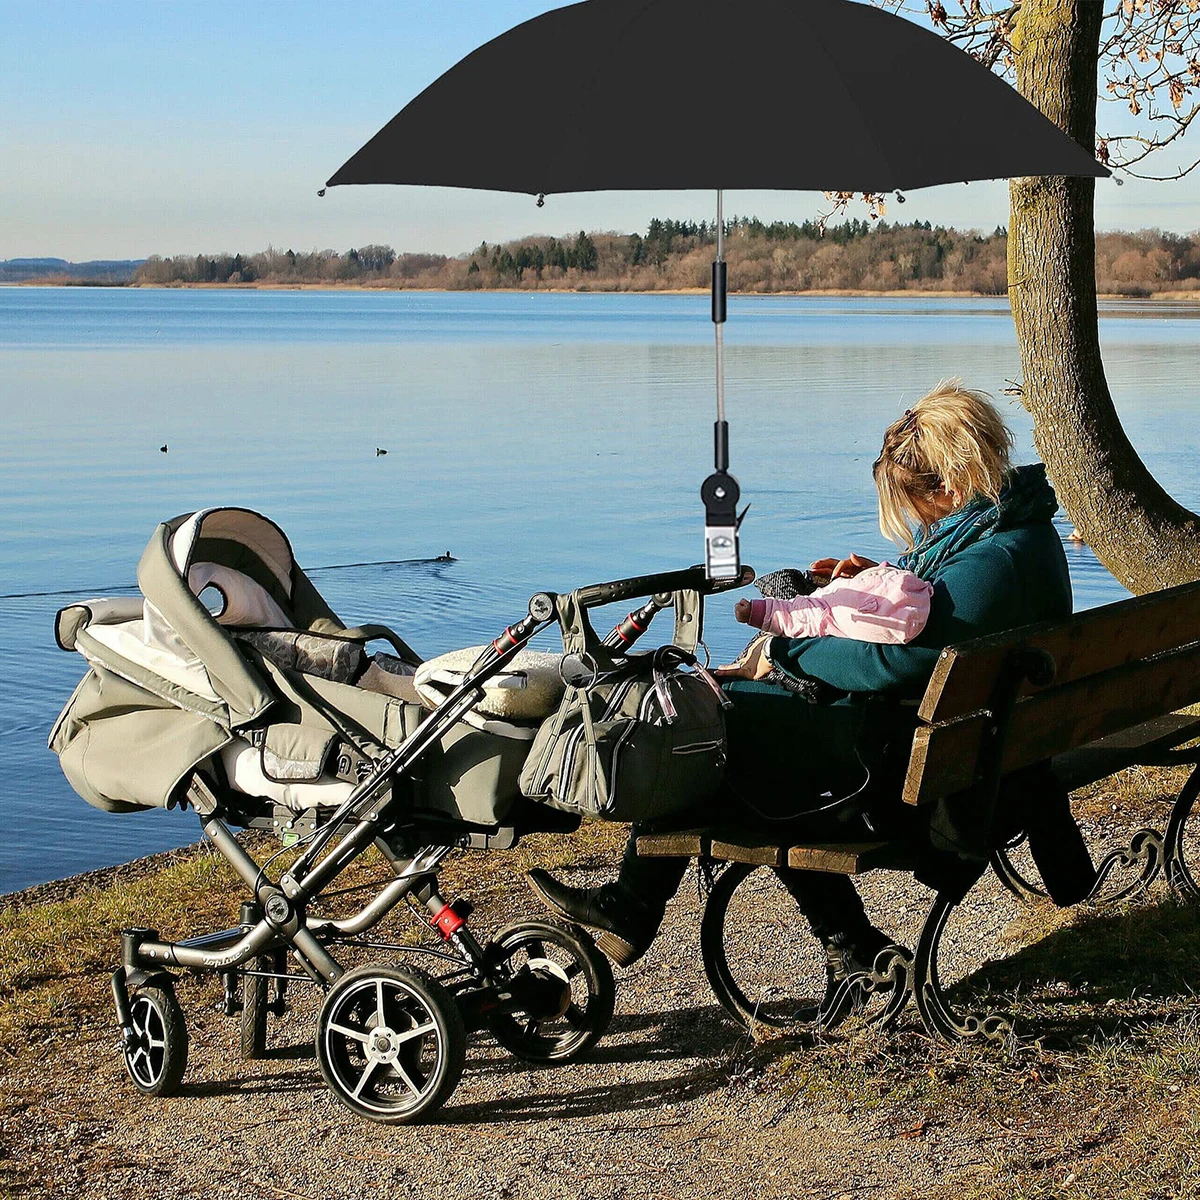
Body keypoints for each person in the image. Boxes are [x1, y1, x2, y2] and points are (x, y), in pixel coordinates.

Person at [527, 380, 1073, 1002]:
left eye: (916, 509)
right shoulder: (1018, 536)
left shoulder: (990, 565)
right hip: (970, 745)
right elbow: (933, 619)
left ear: (950, 485)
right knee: (731, 743)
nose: (917, 528)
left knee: (701, 721)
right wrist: (870, 585)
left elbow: (893, 663)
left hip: (904, 767)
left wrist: (789, 638)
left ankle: (647, 909)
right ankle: (840, 944)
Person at [734, 560, 933, 644]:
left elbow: (798, 617)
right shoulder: (917, 597)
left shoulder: (832, 614)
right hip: (870, 585)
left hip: (837, 598)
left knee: (789, 592)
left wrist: (753, 612)